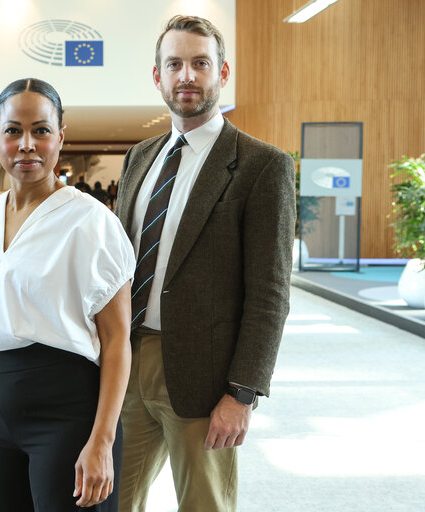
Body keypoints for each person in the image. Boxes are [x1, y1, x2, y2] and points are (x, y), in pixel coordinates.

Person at [115, 15, 295, 512]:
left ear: (223, 72)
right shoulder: (140, 157)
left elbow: (270, 294)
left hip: (205, 376)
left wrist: (242, 393)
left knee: (203, 505)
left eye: (200, 64)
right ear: (158, 77)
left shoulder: (262, 165)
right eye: (174, 64)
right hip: (125, 365)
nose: (187, 76)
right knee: (107, 500)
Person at [0, 78, 135, 511]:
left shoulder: (91, 223)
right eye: (13, 130)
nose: (26, 144)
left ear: (60, 138)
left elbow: (118, 342)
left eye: (41, 130)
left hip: (68, 417)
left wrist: (102, 441)